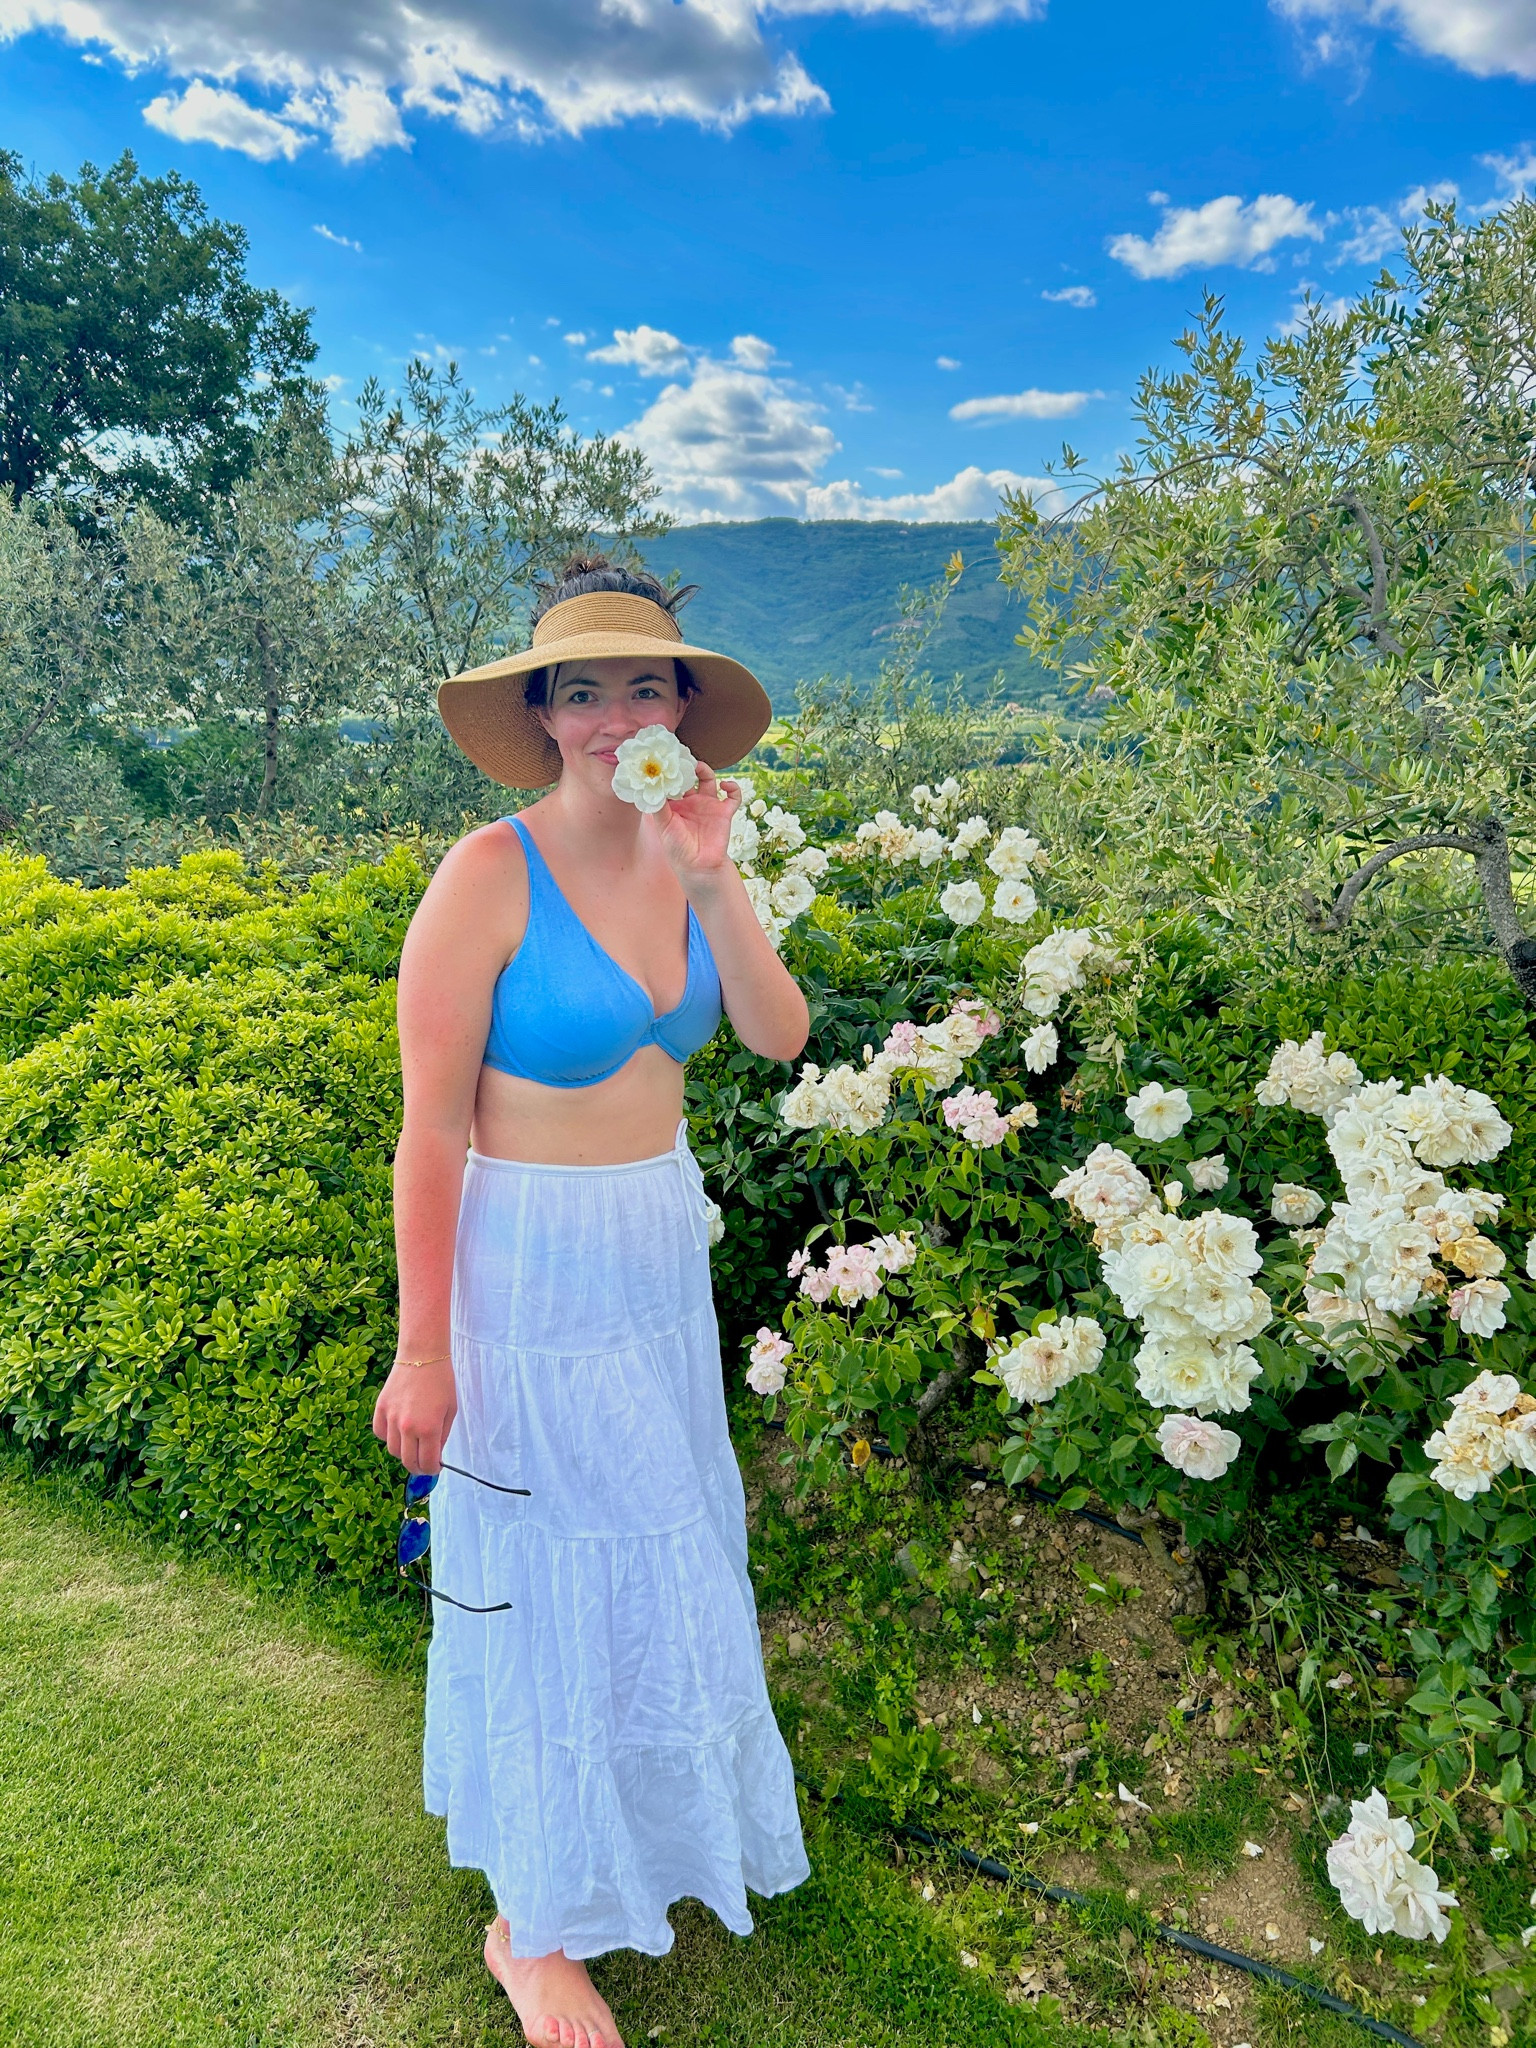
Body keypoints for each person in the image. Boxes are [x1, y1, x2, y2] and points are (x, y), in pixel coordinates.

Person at [372, 555, 811, 2048]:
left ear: (681, 710)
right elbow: (430, 1134)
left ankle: (636, 1836)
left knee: (663, 1543)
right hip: (523, 1279)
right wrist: (424, 1351)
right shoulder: (487, 876)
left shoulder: (691, 851)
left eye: (643, 686)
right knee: (544, 1574)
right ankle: (532, 1926)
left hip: (650, 1264)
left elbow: (776, 1034)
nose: (615, 715)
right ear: (546, 718)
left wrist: (715, 876)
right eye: (582, 691)